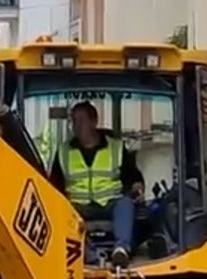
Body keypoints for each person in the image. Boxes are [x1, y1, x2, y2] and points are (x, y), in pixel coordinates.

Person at [47, 100, 141, 254]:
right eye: (74, 122)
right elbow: (54, 185)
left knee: (125, 203)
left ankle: (121, 249)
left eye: (81, 121)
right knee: (59, 210)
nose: (76, 127)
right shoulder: (64, 151)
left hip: (110, 203)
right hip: (78, 206)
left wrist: (137, 186)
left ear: (94, 122)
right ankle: (88, 255)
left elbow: (132, 175)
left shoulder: (116, 147)